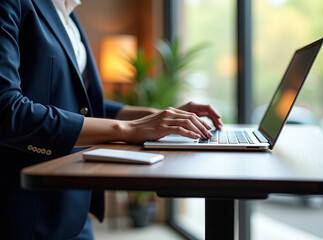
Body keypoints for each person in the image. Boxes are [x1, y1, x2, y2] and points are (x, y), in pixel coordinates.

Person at [0, 0, 223, 239]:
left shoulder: (68, 13)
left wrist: (158, 116)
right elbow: (8, 112)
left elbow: (80, 107)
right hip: (27, 210)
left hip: (74, 207)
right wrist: (126, 128)